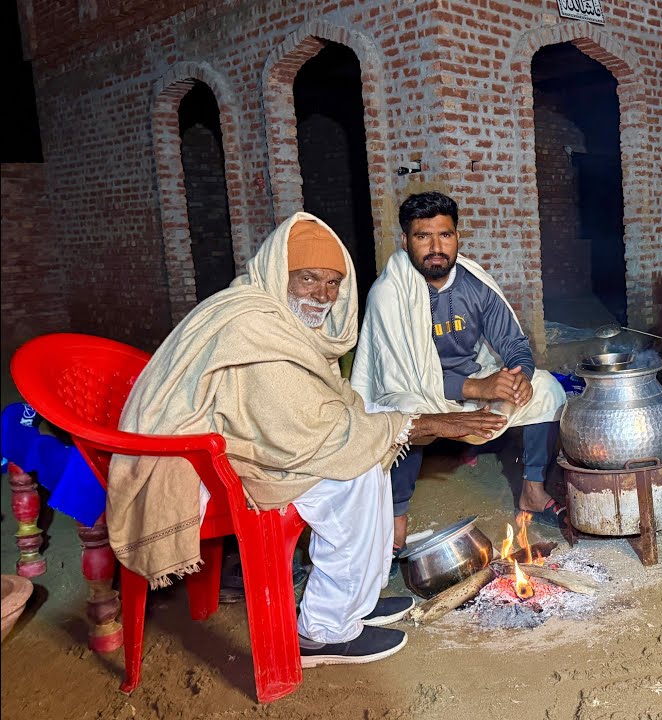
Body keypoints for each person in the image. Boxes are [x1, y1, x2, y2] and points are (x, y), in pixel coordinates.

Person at [107, 213, 505, 667]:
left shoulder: (283, 319)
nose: (323, 295)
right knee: (351, 474)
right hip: (190, 465)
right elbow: (308, 432)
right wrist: (426, 423)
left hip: (243, 437)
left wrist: (402, 422)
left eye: (333, 282)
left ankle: (357, 600)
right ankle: (323, 632)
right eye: (309, 278)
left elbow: (322, 409)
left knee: (370, 446)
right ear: (279, 272)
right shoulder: (252, 325)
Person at [352, 191, 567, 549]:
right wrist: (479, 388)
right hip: (416, 392)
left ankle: (532, 492)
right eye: (423, 236)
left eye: (445, 235)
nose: (436, 247)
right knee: (400, 413)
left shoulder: (473, 283)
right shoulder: (389, 293)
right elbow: (401, 379)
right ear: (405, 241)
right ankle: (395, 524)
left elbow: (514, 342)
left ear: (457, 237)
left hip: (471, 388)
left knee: (546, 388)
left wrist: (520, 376)